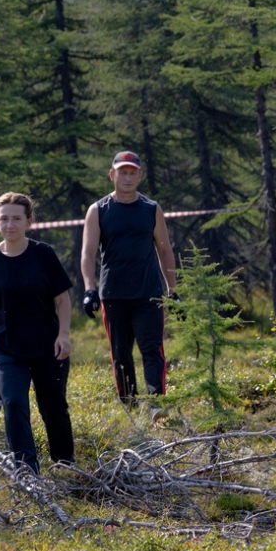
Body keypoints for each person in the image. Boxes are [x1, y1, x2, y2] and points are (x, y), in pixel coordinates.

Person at [0, 193, 74, 473]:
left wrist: (64, 334)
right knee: (14, 403)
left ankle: (65, 463)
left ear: (29, 221)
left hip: (48, 346)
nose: (10, 224)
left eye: (17, 218)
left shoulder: (43, 254)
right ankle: (26, 470)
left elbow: (63, 299)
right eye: (4, 218)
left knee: (53, 407)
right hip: (8, 349)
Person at [80, 150, 177, 402]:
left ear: (139, 176)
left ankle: (157, 406)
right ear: (112, 175)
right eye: (122, 172)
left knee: (152, 350)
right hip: (114, 295)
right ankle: (130, 406)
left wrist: (172, 290)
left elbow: (165, 251)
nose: (127, 177)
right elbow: (88, 253)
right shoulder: (98, 210)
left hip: (149, 294)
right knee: (120, 354)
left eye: (132, 172)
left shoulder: (151, 209)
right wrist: (90, 289)